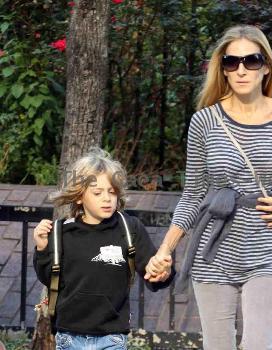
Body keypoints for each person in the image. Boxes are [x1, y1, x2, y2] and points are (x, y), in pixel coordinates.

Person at [144, 25, 272, 350]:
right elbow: (193, 193)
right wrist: (165, 251)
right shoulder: (205, 121)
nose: (241, 69)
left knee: (260, 345)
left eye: (251, 60)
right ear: (223, 69)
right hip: (213, 247)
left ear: (266, 66)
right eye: (232, 62)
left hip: (267, 243)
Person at [33, 147, 174, 350]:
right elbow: (49, 278)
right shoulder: (60, 232)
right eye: (97, 193)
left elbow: (154, 275)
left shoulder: (129, 228)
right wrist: (42, 247)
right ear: (79, 197)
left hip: (112, 337)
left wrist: (162, 271)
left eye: (112, 192)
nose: (107, 198)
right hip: (70, 337)